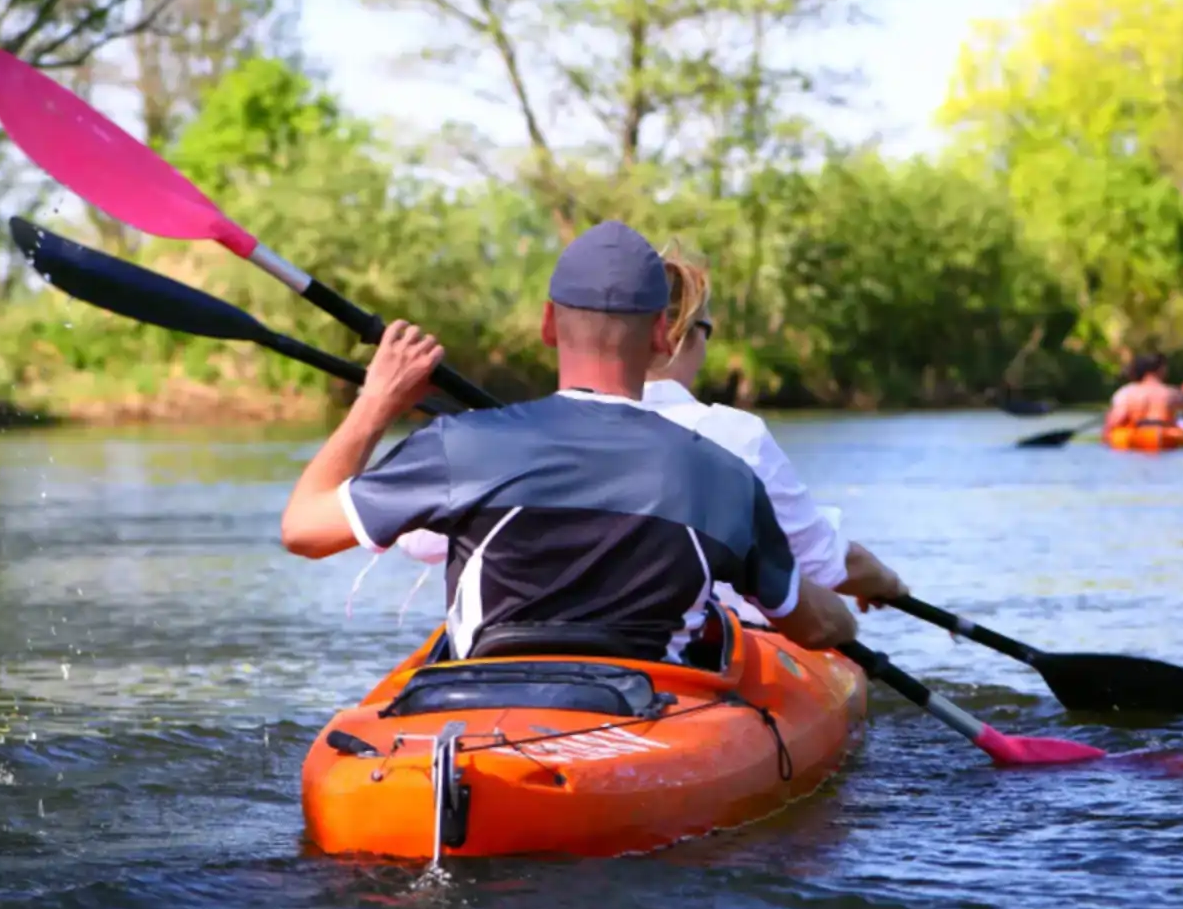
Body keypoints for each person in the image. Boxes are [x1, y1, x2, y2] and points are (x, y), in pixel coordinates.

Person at [277, 220, 861, 663]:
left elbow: (302, 529)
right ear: (663, 335)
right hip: (646, 717)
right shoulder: (722, 475)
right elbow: (815, 626)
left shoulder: (461, 445)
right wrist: (844, 619)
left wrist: (376, 402)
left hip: (477, 720)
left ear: (548, 325)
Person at [641, 244, 908, 624]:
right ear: (684, 334)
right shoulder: (732, 433)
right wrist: (888, 582)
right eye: (707, 329)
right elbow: (819, 560)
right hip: (717, 650)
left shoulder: (567, 430)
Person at [1103, 352, 1183, 440]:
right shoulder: (1171, 393)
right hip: (1164, 436)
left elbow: (1116, 419)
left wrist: (1107, 431)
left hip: (1137, 436)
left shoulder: (1127, 393)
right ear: (1160, 369)